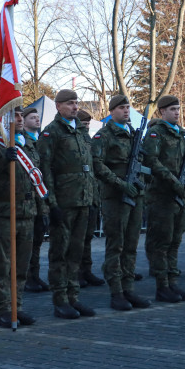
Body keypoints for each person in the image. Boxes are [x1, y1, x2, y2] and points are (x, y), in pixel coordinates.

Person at [0, 107, 42, 328]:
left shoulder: (28, 144)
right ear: (5, 120)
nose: (20, 119)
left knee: (21, 266)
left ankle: (17, 306)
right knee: (1, 266)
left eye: (22, 116)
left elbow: (36, 179)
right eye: (15, 116)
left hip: (27, 212)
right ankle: (3, 309)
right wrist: (3, 160)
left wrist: (43, 210)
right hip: (3, 213)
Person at [36, 89, 98, 319]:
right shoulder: (52, 133)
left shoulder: (81, 132)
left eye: (76, 103)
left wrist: (92, 198)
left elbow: (89, 166)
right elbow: (46, 170)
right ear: (58, 106)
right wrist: (51, 204)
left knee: (76, 252)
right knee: (60, 253)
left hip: (83, 200)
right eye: (70, 103)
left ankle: (74, 297)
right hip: (64, 202)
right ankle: (60, 300)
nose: (75, 107)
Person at [92, 95, 153, 310]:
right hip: (115, 197)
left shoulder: (133, 134)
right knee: (116, 245)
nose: (126, 111)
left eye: (128, 107)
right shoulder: (104, 135)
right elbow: (98, 165)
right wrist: (120, 184)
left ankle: (128, 288)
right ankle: (116, 292)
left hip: (134, 195)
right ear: (112, 111)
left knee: (131, 245)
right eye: (121, 108)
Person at [142, 95, 185, 302]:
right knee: (162, 243)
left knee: (174, 242)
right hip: (162, 195)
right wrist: (173, 181)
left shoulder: (180, 134)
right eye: (172, 109)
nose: (177, 113)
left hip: (178, 195)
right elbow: (152, 161)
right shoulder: (155, 134)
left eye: (178, 109)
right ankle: (162, 286)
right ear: (162, 112)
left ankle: (173, 283)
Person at [22, 106, 50, 292]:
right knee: (28, 242)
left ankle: (35, 275)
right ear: (23, 121)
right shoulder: (21, 142)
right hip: (28, 199)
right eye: (32, 117)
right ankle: (27, 277)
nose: (36, 120)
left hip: (42, 199)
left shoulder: (40, 141)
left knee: (38, 240)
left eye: (37, 117)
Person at [77, 108, 106, 288]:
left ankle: (86, 271)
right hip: (78, 196)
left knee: (87, 238)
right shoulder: (79, 139)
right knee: (78, 239)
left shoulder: (88, 140)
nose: (87, 126)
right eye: (84, 123)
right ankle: (77, 273)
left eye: (88, 123)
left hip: (92, 195)